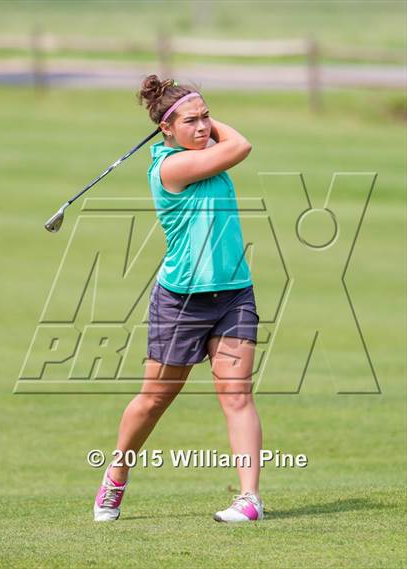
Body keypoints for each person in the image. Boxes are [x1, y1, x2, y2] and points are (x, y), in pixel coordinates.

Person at [94, 75, 264, 523]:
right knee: (156, 398)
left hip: (233, 294)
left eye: (207, 116)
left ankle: (249, 498)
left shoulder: (202, 152)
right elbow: (241, 145)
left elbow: (228, 144)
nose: (204, 126)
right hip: (182, 301)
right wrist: (195, 123)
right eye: (192, 120)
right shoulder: (170, 167)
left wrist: (193, 118)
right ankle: (116, 473)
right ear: (166, 129)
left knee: (237, 394)